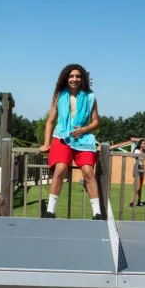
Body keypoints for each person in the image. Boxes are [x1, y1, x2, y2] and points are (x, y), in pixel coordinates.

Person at [39, 64, 102, 220]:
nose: (74, 79)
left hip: (83, 139)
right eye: (71, 76)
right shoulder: (59, 96)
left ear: (83, 79)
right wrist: (46, 143)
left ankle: (97, 213)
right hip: (62, 137)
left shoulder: (90, 97)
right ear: (66, 78)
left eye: (78, 76)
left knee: (88, 171)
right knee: (60, 168)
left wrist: (84, 129)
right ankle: (50, 211)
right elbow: (50, 121)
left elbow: (96, 121)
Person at [130, 139, 145, 207]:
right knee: (138, 186)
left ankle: (139, 202)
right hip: (137, 167)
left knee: (140, 186)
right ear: (140, 144)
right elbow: (134, 156)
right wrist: (142, 152)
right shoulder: (137, 151)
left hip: (142, 167)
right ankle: (131, 202)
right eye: (143, 144)